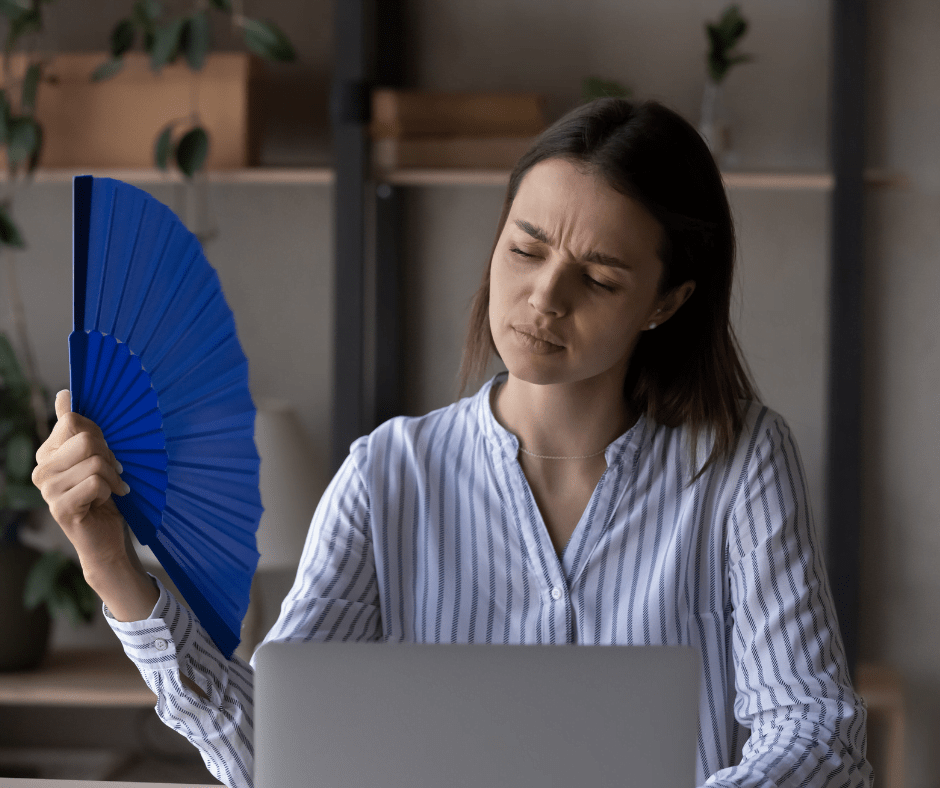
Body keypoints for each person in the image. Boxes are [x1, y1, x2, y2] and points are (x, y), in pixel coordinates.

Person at [32, 98, 872, 788]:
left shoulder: (738, 460)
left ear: (666, 300)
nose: (545, 297)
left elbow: (817, 738)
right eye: (525, 248)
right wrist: (111, 563)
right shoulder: (390, 476)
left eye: (601, 278)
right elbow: (280, 758)